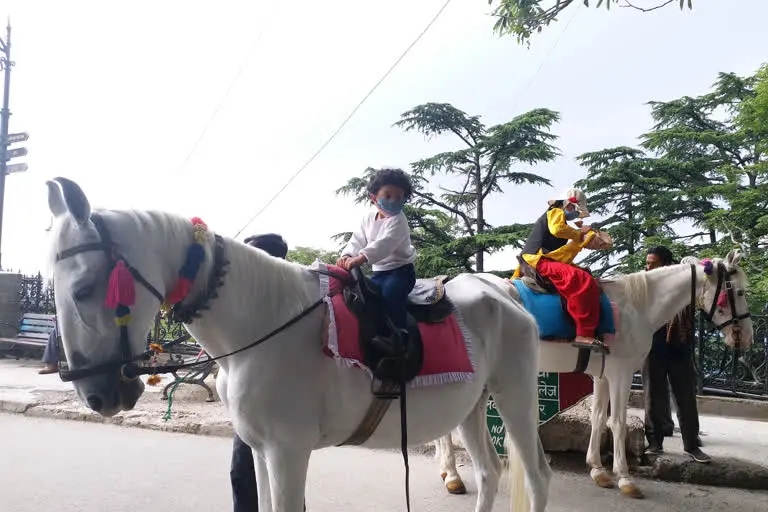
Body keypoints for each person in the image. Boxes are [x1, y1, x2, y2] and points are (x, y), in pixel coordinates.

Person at [231, 233, 306, 511]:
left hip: (279, 407)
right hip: (249, 402)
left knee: (285, 481)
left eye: (250, 255)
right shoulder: (241, 302)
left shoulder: (288, 300)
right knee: (241, 473)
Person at [513, 188, 606, 353]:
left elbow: (561, 255)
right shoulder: (556, 212)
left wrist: (580, 240)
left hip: (536, 260)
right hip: (537, 261)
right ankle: (584, 334)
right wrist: (579, 235)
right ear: (568, 204)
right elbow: (557, 229)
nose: (576, 216)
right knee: (582, 280)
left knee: (582, 273)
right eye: (575, 211)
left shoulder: (560, 221)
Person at [337, 167, 416, 355]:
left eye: (399, 197)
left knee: (391, 294)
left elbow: (384, 244)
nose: (394, 201)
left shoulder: (398, 220)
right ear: (373, 197)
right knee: (366, 298)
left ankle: (399, 337)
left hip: (400, 272)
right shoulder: (367, 218)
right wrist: (347, 255)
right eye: (388, 195)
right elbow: (357, 238)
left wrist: (361, 258)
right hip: (379, 272)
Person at [643, 245, 709, 463]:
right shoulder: (645, 285)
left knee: (686, 397)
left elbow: (702, 303)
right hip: (652, 346)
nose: (648, 266)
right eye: (647, 262)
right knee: (653, 395)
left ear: (666, 265)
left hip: (680, 346)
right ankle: (654, 443)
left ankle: (691, 445)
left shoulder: (682, 284)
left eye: (653, 262)